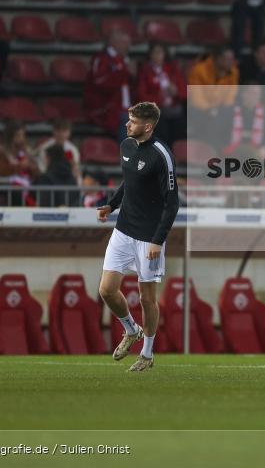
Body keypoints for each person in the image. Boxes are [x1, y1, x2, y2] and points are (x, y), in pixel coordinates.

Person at [97, 102, 180, 373]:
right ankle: (131, 329)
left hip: (149, 236)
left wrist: (158, 240)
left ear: (147, 126)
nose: (126, 124)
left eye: (131, 121)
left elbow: (172, 203)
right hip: (123, 230)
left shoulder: (161, 155)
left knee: (147, 298)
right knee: (106, 290)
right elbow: (129, 182)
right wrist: (111, 205)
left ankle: (146, 353)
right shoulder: (126, 147)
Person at [84, 30, 133, 140]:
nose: (129, 46)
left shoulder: (124, 60)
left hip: (125, 108)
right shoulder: (102, 59)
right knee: (127, 120)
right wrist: (123, 72)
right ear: (114, 42)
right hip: (106, 108)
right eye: (125, 43)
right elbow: (99, 83)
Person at [135, 43, 187, 147]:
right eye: (154, 53)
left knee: (182, 119)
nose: (157, 56)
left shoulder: (172, 70)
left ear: (164, 54)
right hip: (156, 108)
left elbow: (185, 93)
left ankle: (177, 152)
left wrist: (176, 92)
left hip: (173, 107)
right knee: (160, 121)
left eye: (160, 52)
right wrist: (159, 98)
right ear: (149, 55)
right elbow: (141, 95)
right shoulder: (144, 71)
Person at [0, 119, 38, 188]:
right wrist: (19, 166)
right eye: (18, 135)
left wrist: (32, 167)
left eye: (23, 135)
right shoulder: (0, 151)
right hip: (7, 185)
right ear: (11, 136)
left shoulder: (26, 150)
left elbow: (35, 171)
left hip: (25, 182)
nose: (21, 138)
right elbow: (0, 171)